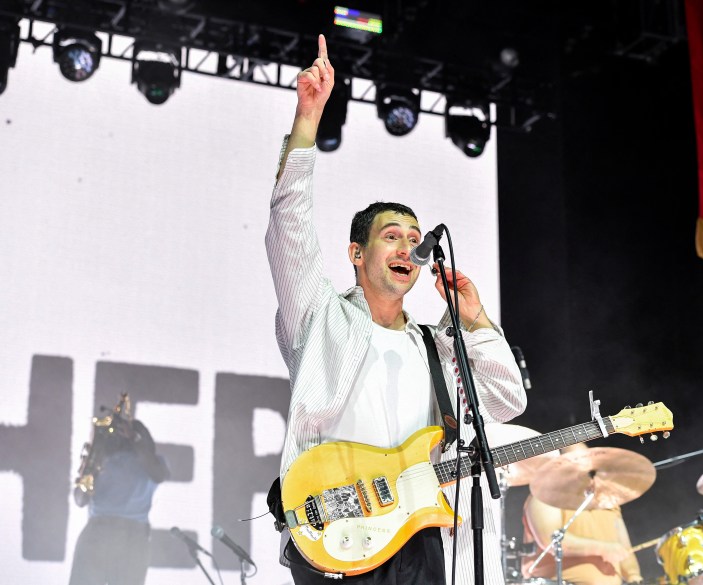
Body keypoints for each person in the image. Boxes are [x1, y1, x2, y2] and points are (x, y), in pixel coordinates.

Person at [268, 34, 527, 585]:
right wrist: (308, 117)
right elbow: (288, 224)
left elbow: (506, 400)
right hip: (332, 528)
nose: (407, 246)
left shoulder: (433, 344)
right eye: (391, 235)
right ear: (357, 254)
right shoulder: (320, 316)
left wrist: (476, 319)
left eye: (414, 237)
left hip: (415, 536)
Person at [69, 406, 170, 585]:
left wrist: (133, 436)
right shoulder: (101, 460)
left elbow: (158, 474)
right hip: (98, 533)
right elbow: (80, 499)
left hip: (131, 537)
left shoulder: (151, 462)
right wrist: (91, 462)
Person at [520, 446, 642, 585]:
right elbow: (551, 540)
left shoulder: (609, 502)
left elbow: (625, 550)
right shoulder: (544, 497)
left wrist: (634, 577)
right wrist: (602, 548)